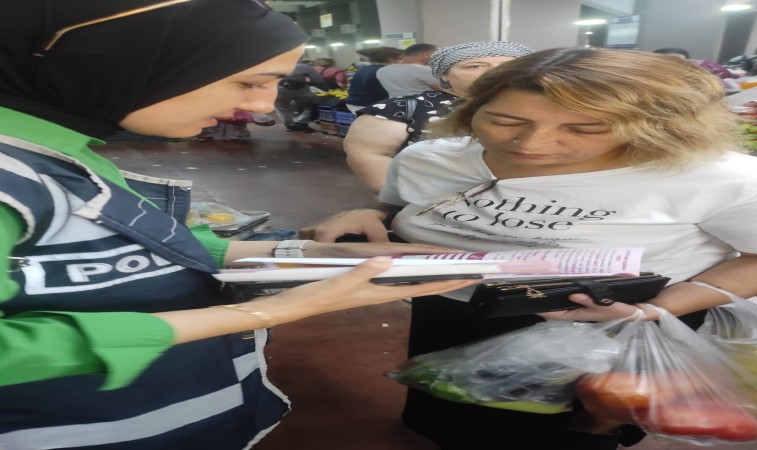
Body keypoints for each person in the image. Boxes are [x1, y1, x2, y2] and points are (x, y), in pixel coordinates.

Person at [0, 2, 481, 449]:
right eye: (250, 82)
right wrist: (273, 310)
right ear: (125, 58)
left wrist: (312, 255)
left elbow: (129, 246)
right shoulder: (12, 174)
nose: (263, 106)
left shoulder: (60, 153)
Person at [300, 47, 757, 449]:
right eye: (505, 120)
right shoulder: (429, 157)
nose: (531, 143)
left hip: (608, 319)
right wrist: (372, 212)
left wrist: (656, 309)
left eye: (585, 128)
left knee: (568, 423)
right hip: (450, 302)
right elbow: (411, 205)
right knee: (447, 403)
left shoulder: (717, 179)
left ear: (655, 125)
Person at [342, 41, 534, 194]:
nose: (496, 71)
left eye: (510, 65)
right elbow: (370, 155)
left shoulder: (547, 106)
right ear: (445, 76)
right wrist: (413, 197)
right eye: (475, 66)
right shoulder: (400, 109)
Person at [275, 60, 331, 132]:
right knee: (307, 105)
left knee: (282, 108)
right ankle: (302, 123)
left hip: (279, 90)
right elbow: (318, 80)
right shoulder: (304, 67)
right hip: (300, 89)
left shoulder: (271, 68)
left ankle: (289, 124)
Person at [344, 46, 403, 113]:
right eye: (400, 58)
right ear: (391, 59)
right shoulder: (385, 71)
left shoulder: (363, 69)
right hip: (373, 104)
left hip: (354, 103)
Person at [653, 47, 741, 92]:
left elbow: (730, 88)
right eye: (669, 61)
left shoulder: (698, 76)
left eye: (680, 61)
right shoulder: (653, 78)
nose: (676, 64)